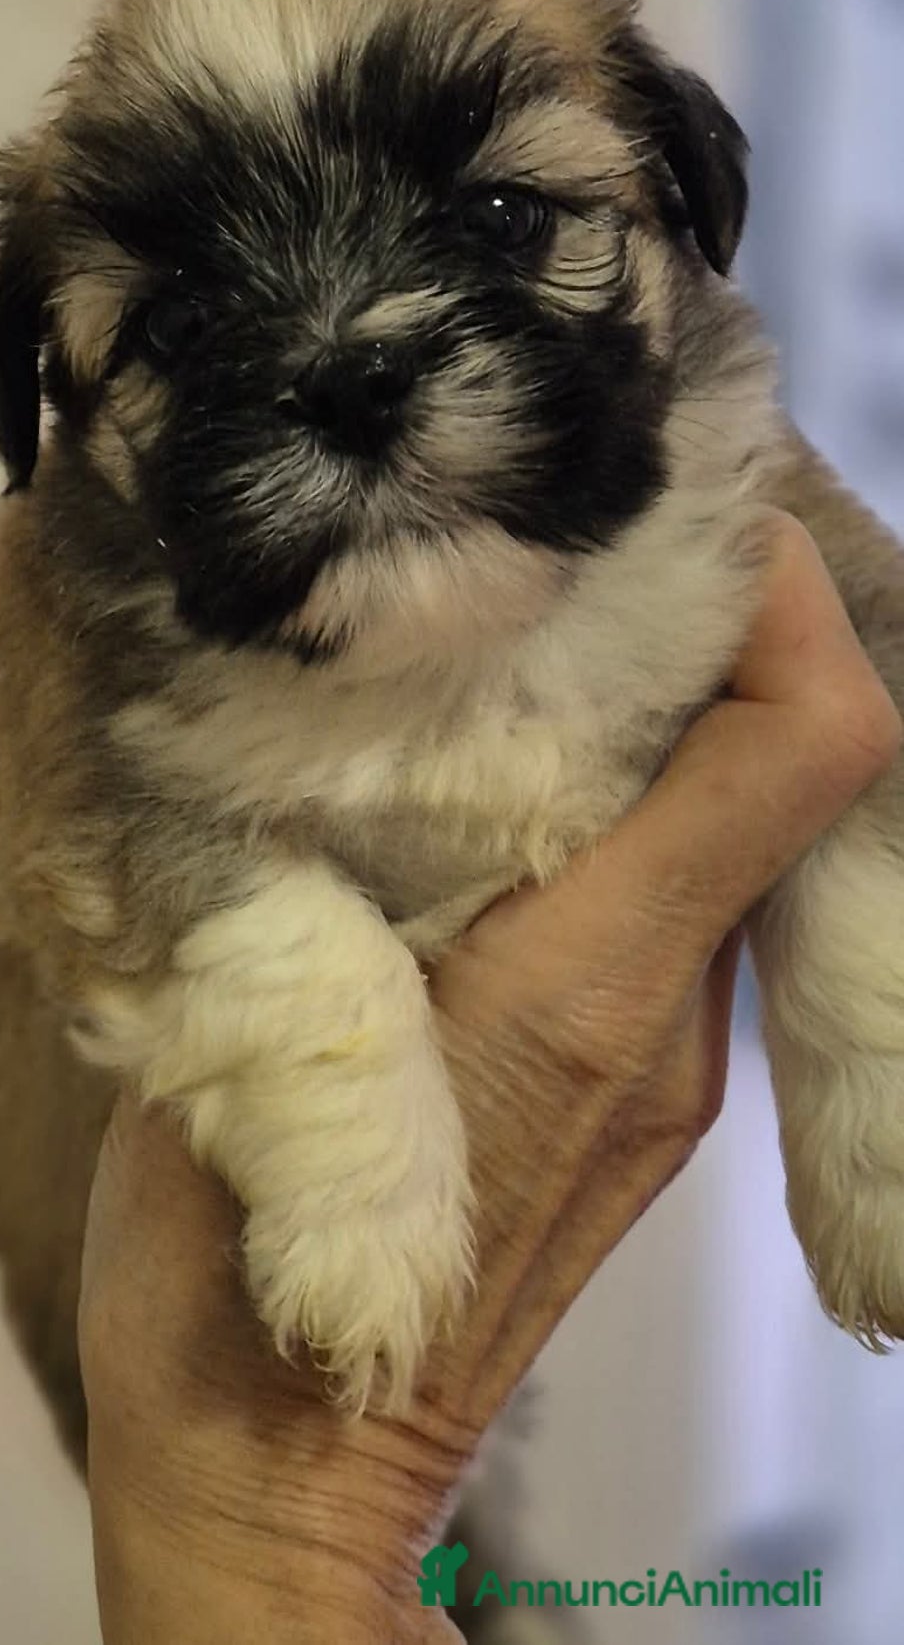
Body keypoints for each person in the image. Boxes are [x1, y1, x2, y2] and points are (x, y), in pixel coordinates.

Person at [78, 513, 901, 1644]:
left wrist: (865, 1060)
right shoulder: (142, 629)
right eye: (183, 324)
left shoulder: (735, 512)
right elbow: (135, 805)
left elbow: (854, 686)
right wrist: (280, 1530)